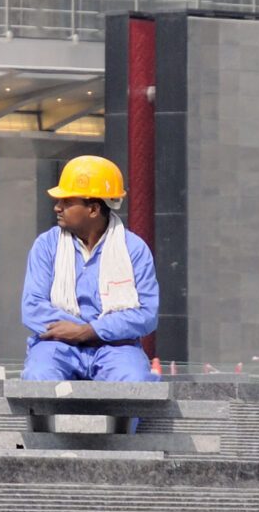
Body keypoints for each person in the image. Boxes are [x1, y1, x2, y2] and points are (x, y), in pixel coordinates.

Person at [18, 154, 159, 382]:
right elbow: (33, 307)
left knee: (133, 381)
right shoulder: (46, 245)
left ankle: (120, 420)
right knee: (39, 375)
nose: (57, 208)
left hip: (117, 348)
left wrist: (90, 331)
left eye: (67, 202)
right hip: (57, 344)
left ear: (93, 209)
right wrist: (82, 332)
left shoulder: (134, 249)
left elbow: (146, 314)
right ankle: (47, 419)